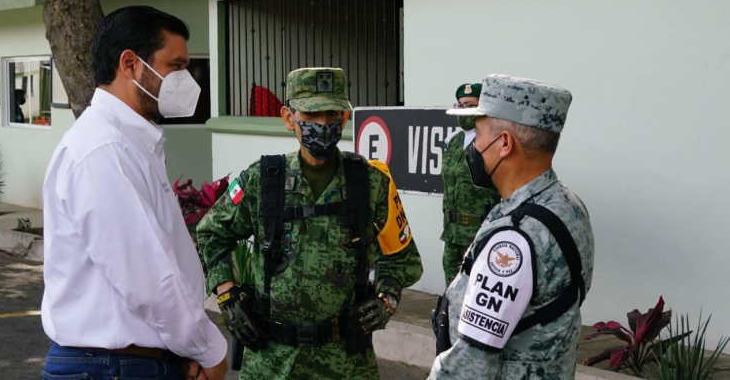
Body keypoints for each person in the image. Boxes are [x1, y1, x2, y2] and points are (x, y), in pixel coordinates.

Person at [197, 67, 424, 380]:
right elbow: (212, 233)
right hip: (271, 363)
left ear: (345, 118)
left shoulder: (371, 183)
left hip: (346, 363)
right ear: (289, 118)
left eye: (333, 113)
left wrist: (387, 298)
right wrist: (226, 292)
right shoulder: (262, 180)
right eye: (312, 113)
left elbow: (402, 259)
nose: (323, 123)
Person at [41, 6, 228, 380]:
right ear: (130, 63)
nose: (186, 79)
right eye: (176, 66)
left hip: (127, 362)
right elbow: (148, 276)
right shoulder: (104, 150)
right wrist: (208, 351)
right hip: (112, 366)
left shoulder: (126, 144)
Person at [430, 74, 595, 379]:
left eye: (478, 134)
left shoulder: (513, 239)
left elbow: (471, 366)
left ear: (504, 143)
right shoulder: (566, 203)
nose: (474, 147)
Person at [440, 83, 501, 286]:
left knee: (475, 288)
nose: (463, 110)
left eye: (469, 105)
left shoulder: (492, 142)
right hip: (452, 232)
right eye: (460, 105)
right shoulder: (454, 141)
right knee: (451, 288)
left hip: (479, 232)